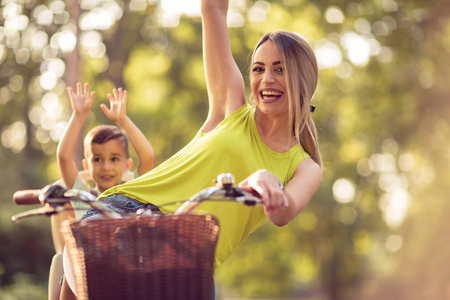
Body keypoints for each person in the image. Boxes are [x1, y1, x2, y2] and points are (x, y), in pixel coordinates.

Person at [62, 0, 322, 297]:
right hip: (125, 212)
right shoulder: (231, 108)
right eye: (258, 69)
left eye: (280, 69)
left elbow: (282, 213)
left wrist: (264, 181)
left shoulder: (305, 167)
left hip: (189, 258)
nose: (266, 79)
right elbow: (213, 8)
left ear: (304, 79)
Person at [55, 82, 155, 300]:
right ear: (87, 166)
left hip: (126, 274)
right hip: (87, 276)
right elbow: (63, 157)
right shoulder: (84, 197)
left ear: (127, 165)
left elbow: (147, 157)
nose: (106, 166)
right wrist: (79, 116)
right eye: (98, 159)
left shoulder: (132, 192)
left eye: (114, 159)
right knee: (69, 265)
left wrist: (122, 121)